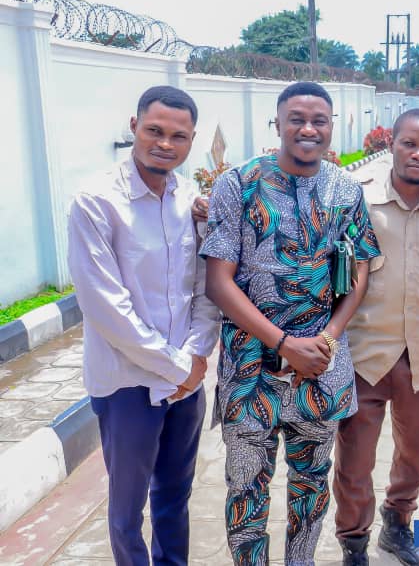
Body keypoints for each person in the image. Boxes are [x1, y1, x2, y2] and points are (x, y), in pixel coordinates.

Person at [200, 81, 380, 565]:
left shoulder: (345, 190)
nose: (308, 129)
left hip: (320, 370)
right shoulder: (238, 185)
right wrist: (284, 344)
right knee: (246, 490)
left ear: (331, 127)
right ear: (277, 123)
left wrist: (327, 339)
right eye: (296, 119)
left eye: (319, 120)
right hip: (250, 373)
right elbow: (218, 281)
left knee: (311, 490)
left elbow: (360, 272)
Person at [67, 85, 220, 565]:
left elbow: (205, 287)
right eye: (155, 130)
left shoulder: (190, 199)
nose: (165, 144)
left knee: (175, 498)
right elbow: (106, 307)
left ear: (192, 140)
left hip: (186, 381)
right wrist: (179, 366)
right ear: (134, 127)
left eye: (179, 136)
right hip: (127, 383)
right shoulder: (96, 202)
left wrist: (196, 354)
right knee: (127, 513)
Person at [333, 108, 419, 566]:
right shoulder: (357, 198)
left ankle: (397, 525)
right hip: (364, 353)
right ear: (391, 144)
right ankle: (354, 543)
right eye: (409, 144)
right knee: (355, 461)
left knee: (417, 452)